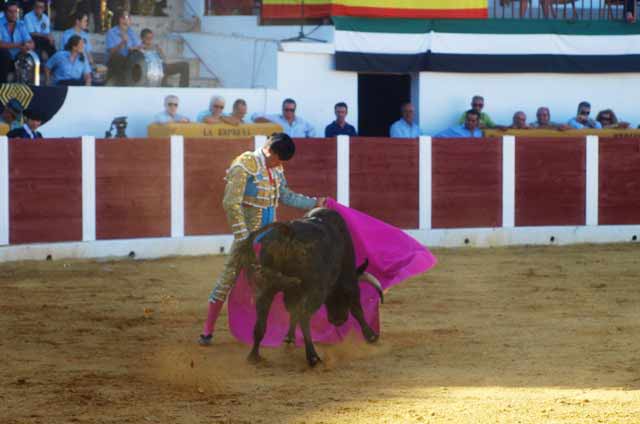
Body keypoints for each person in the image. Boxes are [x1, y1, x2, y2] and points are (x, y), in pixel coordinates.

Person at [198, 132, 326, 345]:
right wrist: (243, 238)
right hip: (248, 236)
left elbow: (284, 195)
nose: (279, 164)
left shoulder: (275, 167)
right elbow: (231, 203)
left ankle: (286, 328)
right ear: (270, 151)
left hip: (272, 236)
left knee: (289, 275)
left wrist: (314, 203)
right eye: (279, 159)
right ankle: (207, 331)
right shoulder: (244, 164)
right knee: (228, 278)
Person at [0, 1, 34, 83]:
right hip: (3, 57)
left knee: (29, 56)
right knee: (4, 53)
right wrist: (19, 45)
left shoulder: (21, 24)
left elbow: (30, 42)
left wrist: (28, 46)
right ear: (5, 12)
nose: (14, 14)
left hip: (17, 57)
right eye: (11, 11)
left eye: (16, 11)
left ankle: (28, 86)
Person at [105, 10, 141, 85]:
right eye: (123, 18)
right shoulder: (111, 32)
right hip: (114, 60)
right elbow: (111, 52)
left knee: (139, 59)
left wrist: (134, 48)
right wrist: (122, 43)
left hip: (129, 59)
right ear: (119, 19)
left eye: (128, 18)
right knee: (118, 57)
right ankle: (123, 85)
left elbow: (138, 46)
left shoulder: (131, 32)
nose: (125, 21)